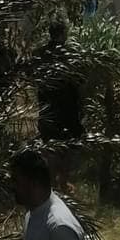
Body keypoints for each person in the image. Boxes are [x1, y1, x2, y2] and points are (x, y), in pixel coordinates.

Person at [34, 20, 85, 188]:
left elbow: (35, 77)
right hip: (67, 107)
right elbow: (79, 80)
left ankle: (52, 181)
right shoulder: (70, 55)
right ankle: (63, 181)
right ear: (63, 34)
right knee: (68, 145)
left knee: (49, 144)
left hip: (47, 107)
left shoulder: (40, 54)